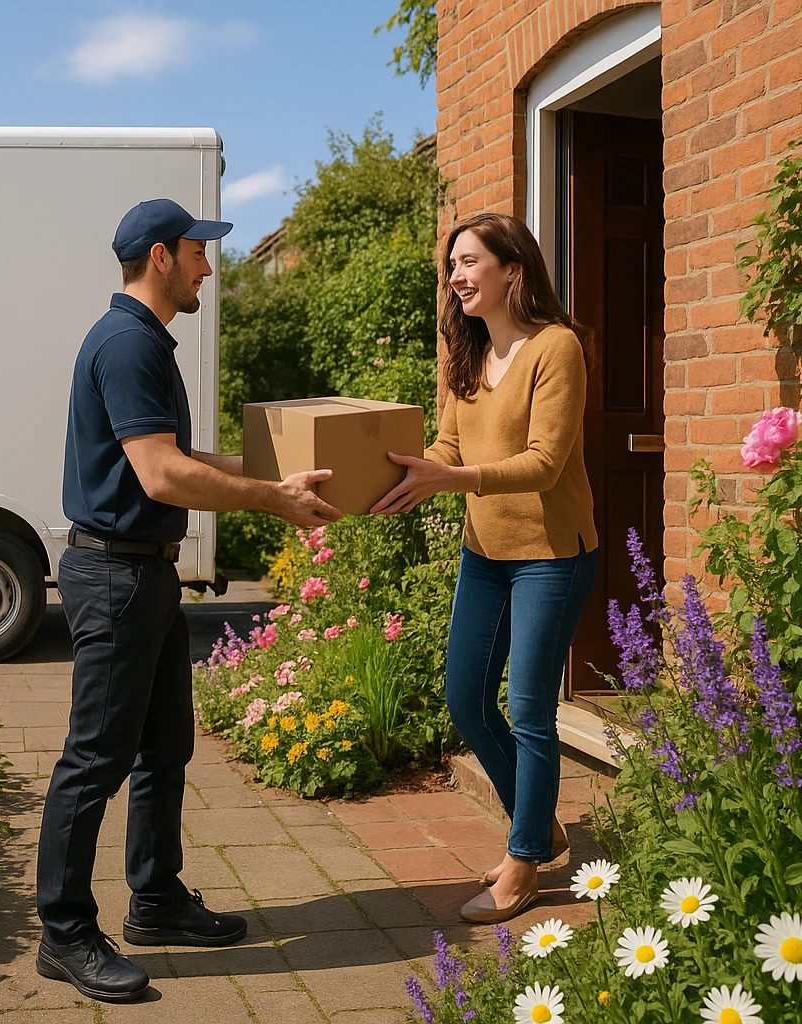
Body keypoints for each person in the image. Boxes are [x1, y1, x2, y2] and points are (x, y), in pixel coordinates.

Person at [35, 199, 340, 1002]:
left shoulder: (143, 339)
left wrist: (266, 472)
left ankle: (156, 899)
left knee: (164, 746)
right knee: (94, 758)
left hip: (146, 572)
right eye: (198, 252)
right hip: (116, 577)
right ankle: (64, 933)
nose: (209, 266)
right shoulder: (127, 343)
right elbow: (161, 475)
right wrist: (271, 500)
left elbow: (174, 452)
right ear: (162, 257)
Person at [370, 212, 599, 925]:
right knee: (467, 700)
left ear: (513, 270)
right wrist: (399, 476)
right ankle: (541, 827)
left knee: (529, 711)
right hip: (486, 554)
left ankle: (524, 863)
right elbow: (447, 445)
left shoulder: (556, 347)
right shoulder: (466, 352)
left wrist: (454, 479)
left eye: (469, 262)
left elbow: (545, 462)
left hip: (551, 556)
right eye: (452, 265)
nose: (457, 277)